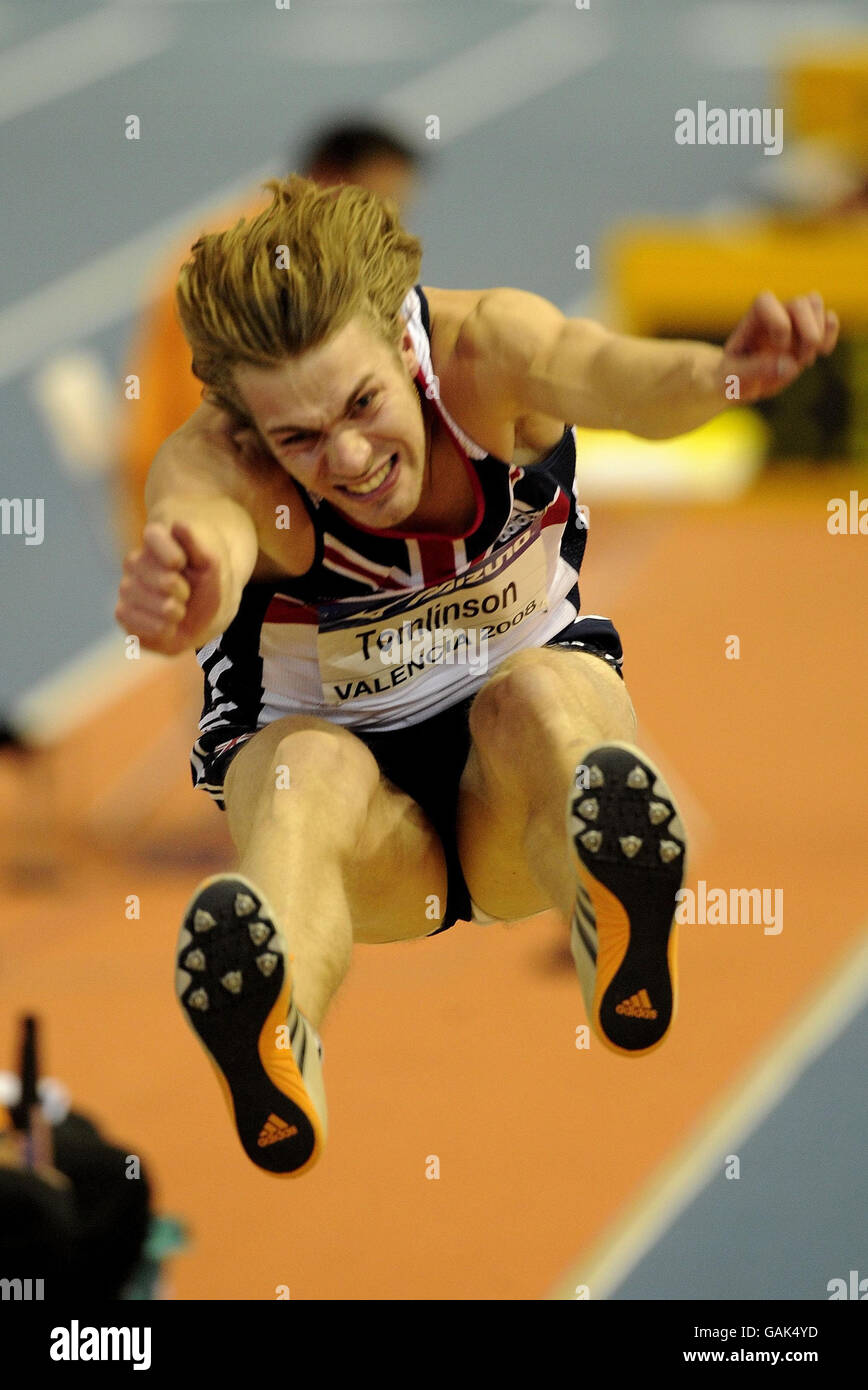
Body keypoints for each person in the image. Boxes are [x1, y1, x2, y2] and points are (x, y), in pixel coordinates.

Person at [114, 175, 839, 1179]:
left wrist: (719, 372)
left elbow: (618, 376)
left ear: (402, 341)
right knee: (306, 776)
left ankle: (607, 916)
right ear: (248, 427)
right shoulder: (219, 462)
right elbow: (206, 534)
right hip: (368, 846)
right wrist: (184, 583)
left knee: (541, 695)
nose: (353, 457)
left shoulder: (489, 353)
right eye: (300, 440)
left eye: (363, 404)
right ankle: (277, 1032)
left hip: (514, 799)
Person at [116, 121, 422, 549]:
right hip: (198, 490)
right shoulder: (244, 275)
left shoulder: (319, 263)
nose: (388, 223)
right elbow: (218, 415)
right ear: (328, 176)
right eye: (377, 202)